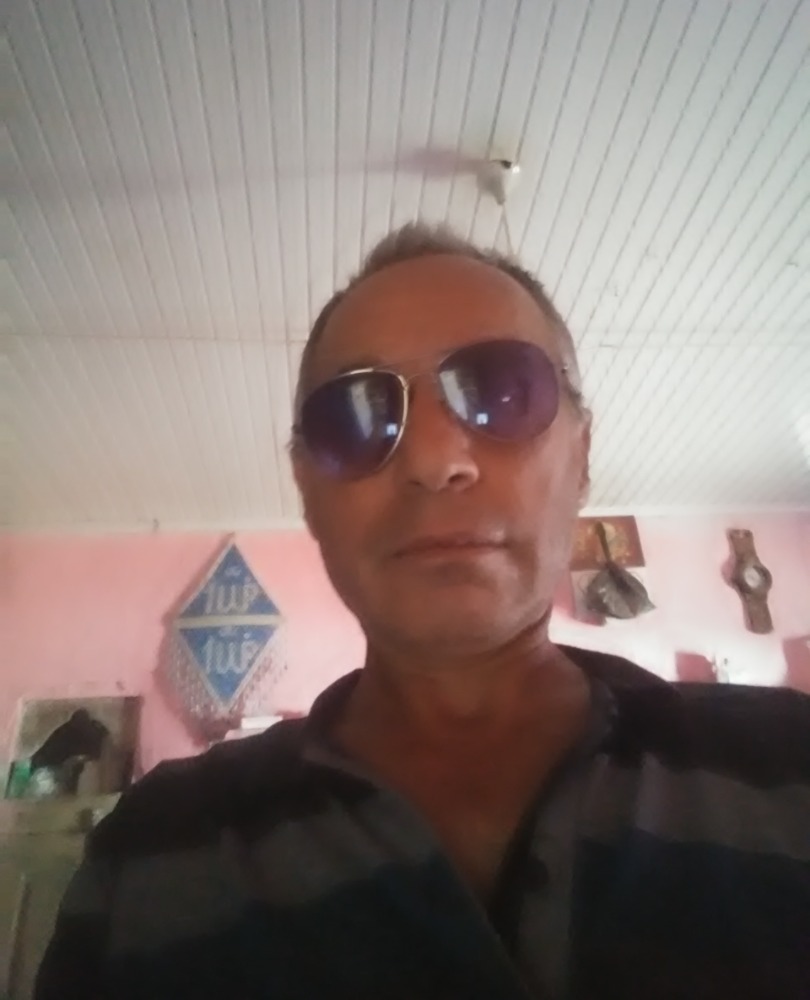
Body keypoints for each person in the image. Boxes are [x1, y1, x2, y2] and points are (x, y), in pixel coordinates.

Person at [37, 224, 810, 1000]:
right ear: (307, 490)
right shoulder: (150, 857)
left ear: (580, 455)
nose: (435, 460)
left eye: (503, 392)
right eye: (353, 417)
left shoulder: (791, 762)